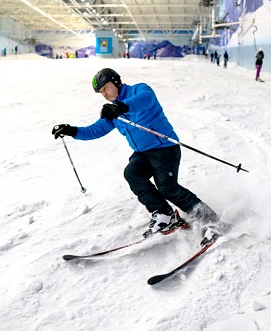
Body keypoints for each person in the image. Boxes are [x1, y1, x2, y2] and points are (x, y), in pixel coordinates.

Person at [51, 68, 221, 246]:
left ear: (116, 82)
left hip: (165, 148)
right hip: (143, 153)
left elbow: (145, 100)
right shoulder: (113, 112)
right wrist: (71, 130)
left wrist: (121, 107)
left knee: (167, 188)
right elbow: (95, 130)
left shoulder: (139, 90)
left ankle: (212, 222)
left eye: (106, 88)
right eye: (101, 92)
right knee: (132, 173)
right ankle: (164, 214)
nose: (105, 94)